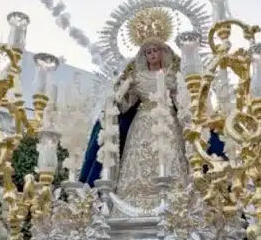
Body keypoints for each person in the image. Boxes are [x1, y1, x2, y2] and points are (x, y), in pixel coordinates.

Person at [77, 38, 225, 210]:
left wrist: (190, 118)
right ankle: (132, 203)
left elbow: (181, 103)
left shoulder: (172, 75)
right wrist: (117, 97)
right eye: (149, 52)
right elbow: (126, 105)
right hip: (143, 122)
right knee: (140, 156)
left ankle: (176, 202)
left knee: (169, 154)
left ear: (162, 52)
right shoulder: (137, 78)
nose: (153, 54)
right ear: (144, 56)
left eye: (156, 50)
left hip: (168, 122)